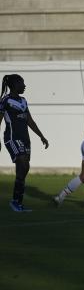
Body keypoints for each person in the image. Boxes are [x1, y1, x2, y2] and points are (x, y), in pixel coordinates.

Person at [0, 74, 49, 212]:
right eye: (22, 83)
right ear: (15, 84)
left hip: (25, 139)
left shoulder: (23, 101)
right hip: (12, 138)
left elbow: (30, 121)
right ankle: (15, 202)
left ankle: (17, 202)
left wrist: (41, 136)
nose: (24, 85)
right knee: (22, 163)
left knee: (24, 169)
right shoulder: (6, 101)